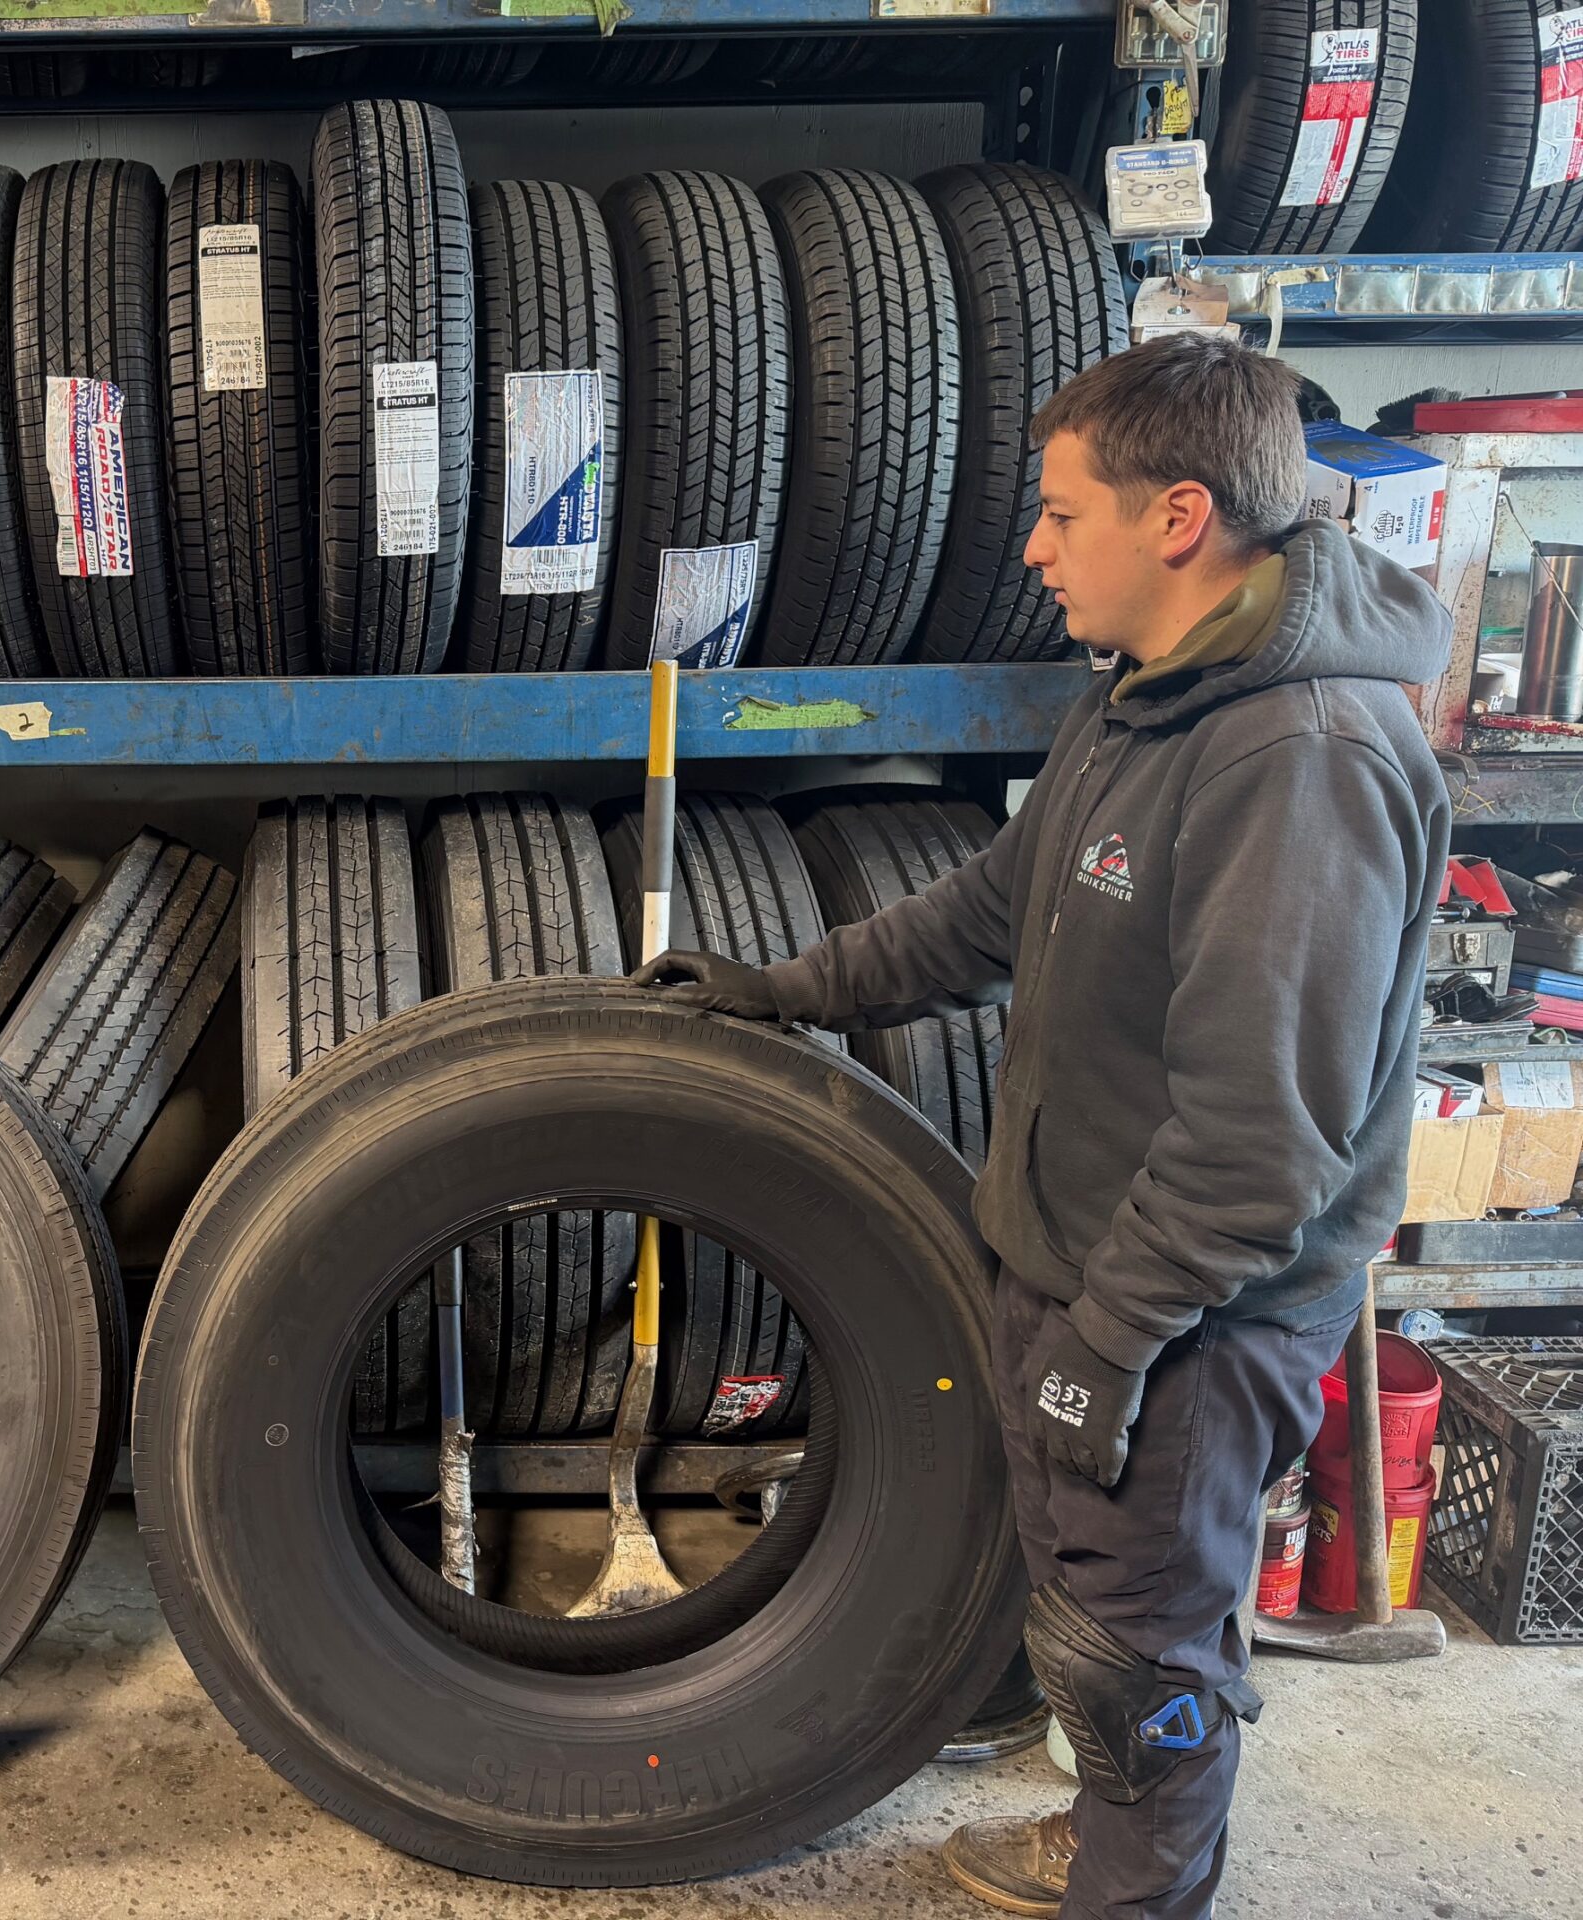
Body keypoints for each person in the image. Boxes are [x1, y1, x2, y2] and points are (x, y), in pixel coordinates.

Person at [633, 333, 1450, 1918]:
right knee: (1089, 1600)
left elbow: (1261, 1143)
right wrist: (787, 988)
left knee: (1143, 1642)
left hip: (1192, 1324)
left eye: (1062, 513)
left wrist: (1117, 1336)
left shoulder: (1300, 760)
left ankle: (1132, 1892)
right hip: (1074, 1268)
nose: (1032, 545)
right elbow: (988, 914)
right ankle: (1109, 1840)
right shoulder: (1143, 700)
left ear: (1179, 517)